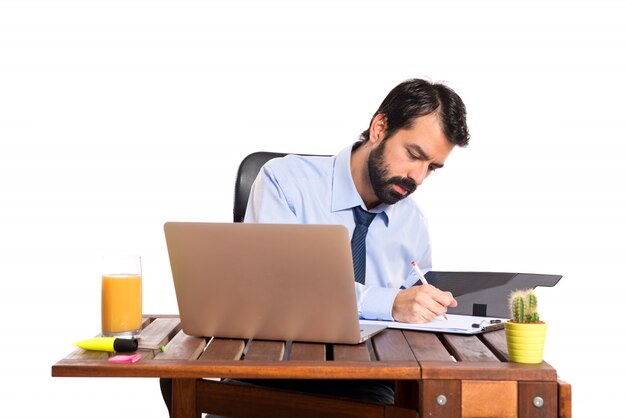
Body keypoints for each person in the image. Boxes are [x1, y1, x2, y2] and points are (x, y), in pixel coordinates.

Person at [160, 78, 470, 415]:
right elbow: (280, 290)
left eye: (432, 168)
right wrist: (390, 302)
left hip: (369, 385)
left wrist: (425, 308)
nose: (418, 177)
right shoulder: (286, 182)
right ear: (380, 128)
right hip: (271, 371)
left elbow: (412, 319)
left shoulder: (412, 222)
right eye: (414, 155)